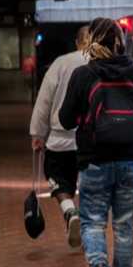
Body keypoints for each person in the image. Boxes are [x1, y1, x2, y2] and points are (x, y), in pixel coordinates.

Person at [59, 17, 133, 267]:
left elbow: (65, 120)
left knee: (92, 222)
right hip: (130, 161)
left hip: (94, 161)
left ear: (93, 42)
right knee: (124, 226)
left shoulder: (83, 75)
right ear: (120, 41)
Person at [29, 26, 90, 248]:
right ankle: (90, 230)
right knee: (88, 183)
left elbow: (44, 99)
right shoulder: (102, 64)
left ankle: (69, 211)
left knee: (58, 180)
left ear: (77, 42)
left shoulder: (61, 63)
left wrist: (37, 133)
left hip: (59, 140)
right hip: (90, 141)